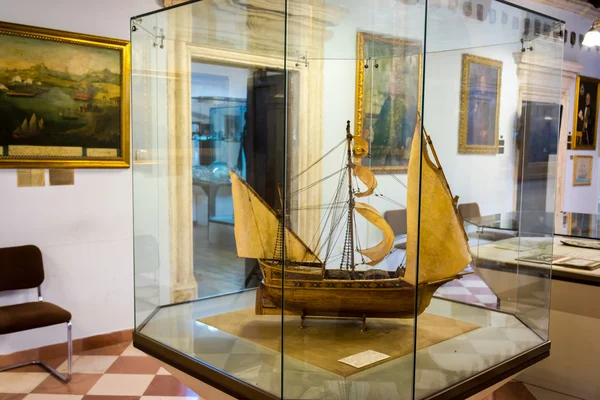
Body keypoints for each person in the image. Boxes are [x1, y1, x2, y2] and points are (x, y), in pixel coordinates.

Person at [365, 71, 413, 166]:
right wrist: (371, 131)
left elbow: (405, 124)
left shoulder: (401, 105)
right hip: (385, 143)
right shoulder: (385, 104)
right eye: (391, 84)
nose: (393, 87)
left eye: (395, 85)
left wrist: (407, 138)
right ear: (388, 86)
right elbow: (379, 122)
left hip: (397, 145)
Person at [467, 73, 495, 146]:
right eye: (480, 83)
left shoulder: (490, 99)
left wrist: (486, 131)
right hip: (474, 129)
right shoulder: (473, 98)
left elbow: (491, 120)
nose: (482, 85)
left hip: (484, 132)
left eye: (483, 83)